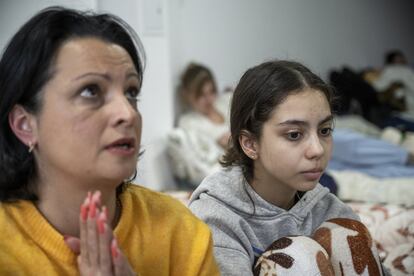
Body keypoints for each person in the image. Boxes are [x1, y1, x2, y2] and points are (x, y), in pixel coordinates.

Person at [0, 7, 219, 276]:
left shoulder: (181, 232)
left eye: (131, 92)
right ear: (25, 125)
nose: (127, 113)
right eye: (91, 90)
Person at [189, 60, 387, 275]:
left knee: (344, 236)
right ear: (250, 144)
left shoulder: (328, 209)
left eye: (325, 130)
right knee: (295, 255)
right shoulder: (216, 217)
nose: (317, 150)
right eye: (294, 134)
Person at [178, 62, 231, 149]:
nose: (209, 100)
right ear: (186, 95)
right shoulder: (189, 123)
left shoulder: (227, 101)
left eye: (211, 91)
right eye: (201, 95)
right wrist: (218, 143)